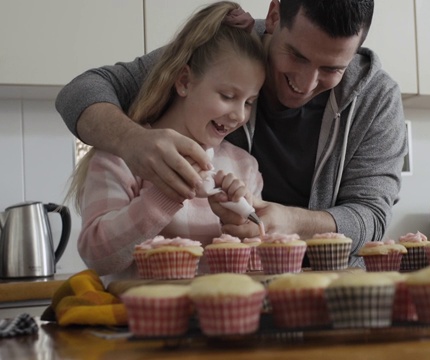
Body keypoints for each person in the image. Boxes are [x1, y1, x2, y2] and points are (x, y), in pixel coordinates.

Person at [56, 0, 407, 267]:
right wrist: (132, 142)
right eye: (296, 56)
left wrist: (288, 222)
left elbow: (371, 217)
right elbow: (81, 91)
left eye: (332, 69)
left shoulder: (376, 99)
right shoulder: (224, 50)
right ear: (273, 16)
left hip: (321, 290)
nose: (305, 83)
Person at [64, 1, 266, 278]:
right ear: (184, 81)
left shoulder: (245, 167)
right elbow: (98, 257)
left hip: (219, 319)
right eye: (227, 96)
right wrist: (163, 196)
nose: (238, 115)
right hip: (138, 319)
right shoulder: (121, 157)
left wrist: (244, 229)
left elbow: (257, 271)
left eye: (250, 102)